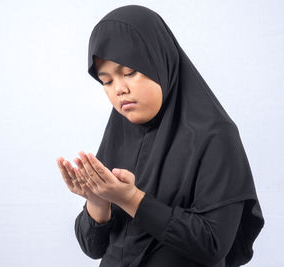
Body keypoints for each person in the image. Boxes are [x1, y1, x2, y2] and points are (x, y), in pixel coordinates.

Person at [56, 4, 264, 267]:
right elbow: (94, 248)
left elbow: (213, 244)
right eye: (107, 81)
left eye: (129, 72)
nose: (119, 89)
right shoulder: (119, 131)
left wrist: (130, 199)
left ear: (159, 60)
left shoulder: (215, 136)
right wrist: (97, 201)